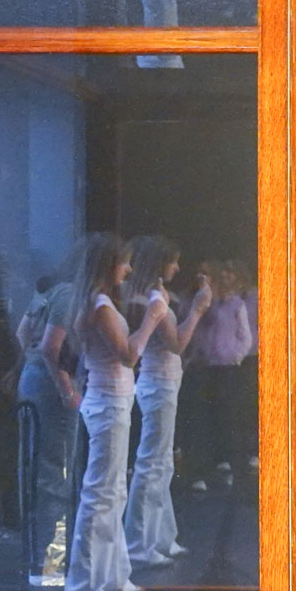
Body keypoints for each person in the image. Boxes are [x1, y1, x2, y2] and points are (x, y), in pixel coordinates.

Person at [62, 234, 166, 591]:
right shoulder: (100, 305)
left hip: (112, 402)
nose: (129, 269)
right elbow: (128, 355)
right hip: (107, 404)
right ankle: (83, 590)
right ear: (109, 265)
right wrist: (153, 317)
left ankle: (112, 577)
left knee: (113, 491)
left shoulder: (98, 302)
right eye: (124, 262)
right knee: (101, 494)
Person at [121, 236, 211, 567]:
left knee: (162, 462)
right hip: (158, 384)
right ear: (159, 263)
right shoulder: (150, 299)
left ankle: (161, 537)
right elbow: (176, 344)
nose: (177, 267)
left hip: (164, 383)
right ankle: (140, 542)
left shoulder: (154, 295)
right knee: (152, 462)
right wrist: (198, 310)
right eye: (172, 261)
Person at [14, 239, 89, 581]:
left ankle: (37, 559)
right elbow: (50, 347)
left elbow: (23, 334)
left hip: (32, 382)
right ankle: (49, 563)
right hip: (50, 386)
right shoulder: (70, 294)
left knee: (38, 469)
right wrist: (67, 391)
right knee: (55, 470)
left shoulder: (50, 291)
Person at [185, 257, 254, 490]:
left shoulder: (237, 305)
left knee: (228, 413)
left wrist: (236, 355)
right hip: (208, 366)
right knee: (209, 413)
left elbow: (245, 336)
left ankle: (228, 459)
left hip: (228, 367)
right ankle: (213, 460)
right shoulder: (209, 304)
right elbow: (202, 331)